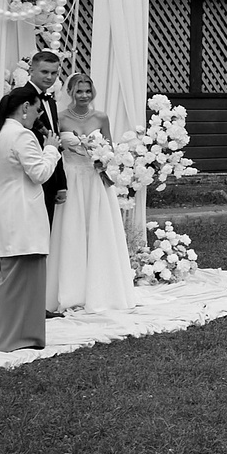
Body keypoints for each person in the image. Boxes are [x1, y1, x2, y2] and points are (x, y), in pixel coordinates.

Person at [0, 83, 60, 353]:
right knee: (21, 278)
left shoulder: (1, 132)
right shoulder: (21, 135)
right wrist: (51, 149)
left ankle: (8, 335)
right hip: (22, 212)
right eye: (38, 111)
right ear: (25, 107)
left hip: (6, 210)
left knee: (11, 279)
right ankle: (17, 337)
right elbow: (39, 173)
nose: (38, 117)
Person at [48, 70, 133, 313]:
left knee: (98, 231)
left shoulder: (101, 117)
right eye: (79, 91)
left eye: (88, 91)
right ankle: (71, 291)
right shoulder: (61, 118)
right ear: (70, 93)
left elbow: (111, 149)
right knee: (71, 231)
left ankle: (102, 289)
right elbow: (54, 148)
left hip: (95, 181)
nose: (84, 95)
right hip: (71, 179)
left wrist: (103, 161)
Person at [22, 47, 71, 219]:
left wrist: (60, 184)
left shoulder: (50, 101)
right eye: (44, 72)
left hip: (50, 176)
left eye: (54, 73)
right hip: (29, 177)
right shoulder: (21, 98)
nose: (49, 77)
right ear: (31, 70)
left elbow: (54, 142)